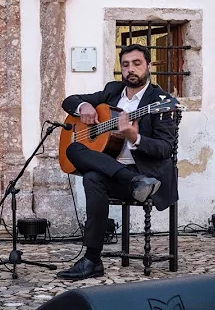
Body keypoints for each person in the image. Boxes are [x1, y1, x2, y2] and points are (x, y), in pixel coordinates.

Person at [56, 44, 178, 281]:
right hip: (131, 179)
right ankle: (134, 182)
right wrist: (85, 106)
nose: (130, 69)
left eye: (136, 63)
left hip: (147, 173)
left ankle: (91, 259)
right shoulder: (113, 91)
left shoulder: (161, 101)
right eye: (125, 65)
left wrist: (135, 137)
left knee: (92, 178)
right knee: (73, 148)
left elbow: (165, 149)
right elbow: (69, 101)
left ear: (149, 66)